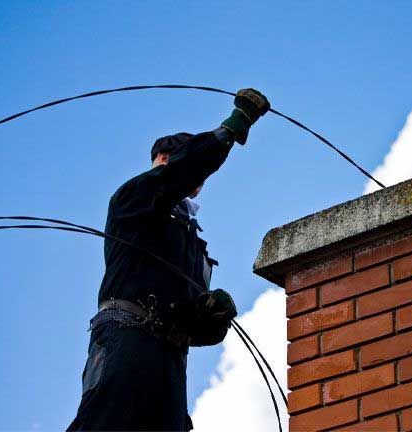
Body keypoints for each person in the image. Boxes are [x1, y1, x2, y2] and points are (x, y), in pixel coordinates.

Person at [66, 88, 270, 431]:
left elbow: (194, 328)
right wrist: (233, 127)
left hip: (170, 362)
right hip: (125, 341)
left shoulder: (194, 246)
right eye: (192, 168)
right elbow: (180, 173)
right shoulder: (134, 199)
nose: (199, 180)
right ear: (162, 160)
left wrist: (211, 317)